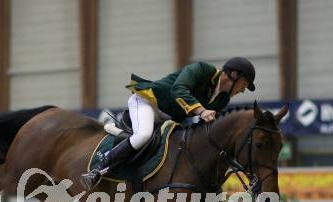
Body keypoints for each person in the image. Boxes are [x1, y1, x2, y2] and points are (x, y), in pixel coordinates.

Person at [80, 57, 256, 190]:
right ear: (233, 75)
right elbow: (179, 89)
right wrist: (201, 111)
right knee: (144, 135)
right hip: (149, 102)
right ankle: (99, 168)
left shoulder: (222, 100)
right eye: (243, 84)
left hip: (170, 119)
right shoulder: (201, 69)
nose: (242, 90)